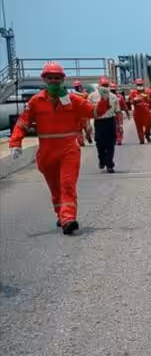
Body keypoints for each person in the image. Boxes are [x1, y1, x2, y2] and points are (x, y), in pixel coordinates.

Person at [8, 62, 96, 234]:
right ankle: (60, 214)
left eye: (57, 78)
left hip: (69, 150)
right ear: (44, 80)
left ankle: (68, 218)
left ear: (63, 80)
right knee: (55, 189)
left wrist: (105, 99)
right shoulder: (36, 102)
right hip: (47, 153)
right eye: (51, 78)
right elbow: (23, 122)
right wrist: (15, 142)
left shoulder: (73, 100)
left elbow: (94, 113)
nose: (54, 82)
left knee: (67, 184)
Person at [89, 76, 121, 172]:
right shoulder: (92, 96)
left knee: (111, 144)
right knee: (100, 143)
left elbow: (118, 111)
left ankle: (110, 164)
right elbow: (87, 111)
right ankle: (102, 159)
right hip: (99, 122)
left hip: (110, 121)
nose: (105, 87)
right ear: (99, 86)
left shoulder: (113, 97)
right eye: (103, 85)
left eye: (106, 85)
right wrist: (88, 124)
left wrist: (120, 125)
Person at [129, 78, 151, 144]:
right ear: (136, 85)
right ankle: (141, 140)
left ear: (143, 84)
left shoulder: (147, 91)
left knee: (148, 125)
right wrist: (135, 99)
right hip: (137, 113)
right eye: (138, 84)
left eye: (141, 84)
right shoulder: (133, 92)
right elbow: (131, 101)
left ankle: (147, 134)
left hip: (147, 112)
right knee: (139, 127)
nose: (140, 86)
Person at [73, 80, 93, 146]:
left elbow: (87, 98)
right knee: (79, 130)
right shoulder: (74, 94)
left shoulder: (83, 94)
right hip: (77, 115)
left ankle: (88, 136)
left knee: (87, 128)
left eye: (78, 86)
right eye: (76, 87)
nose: (77, 87)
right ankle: (81, 141)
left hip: (84, 114)